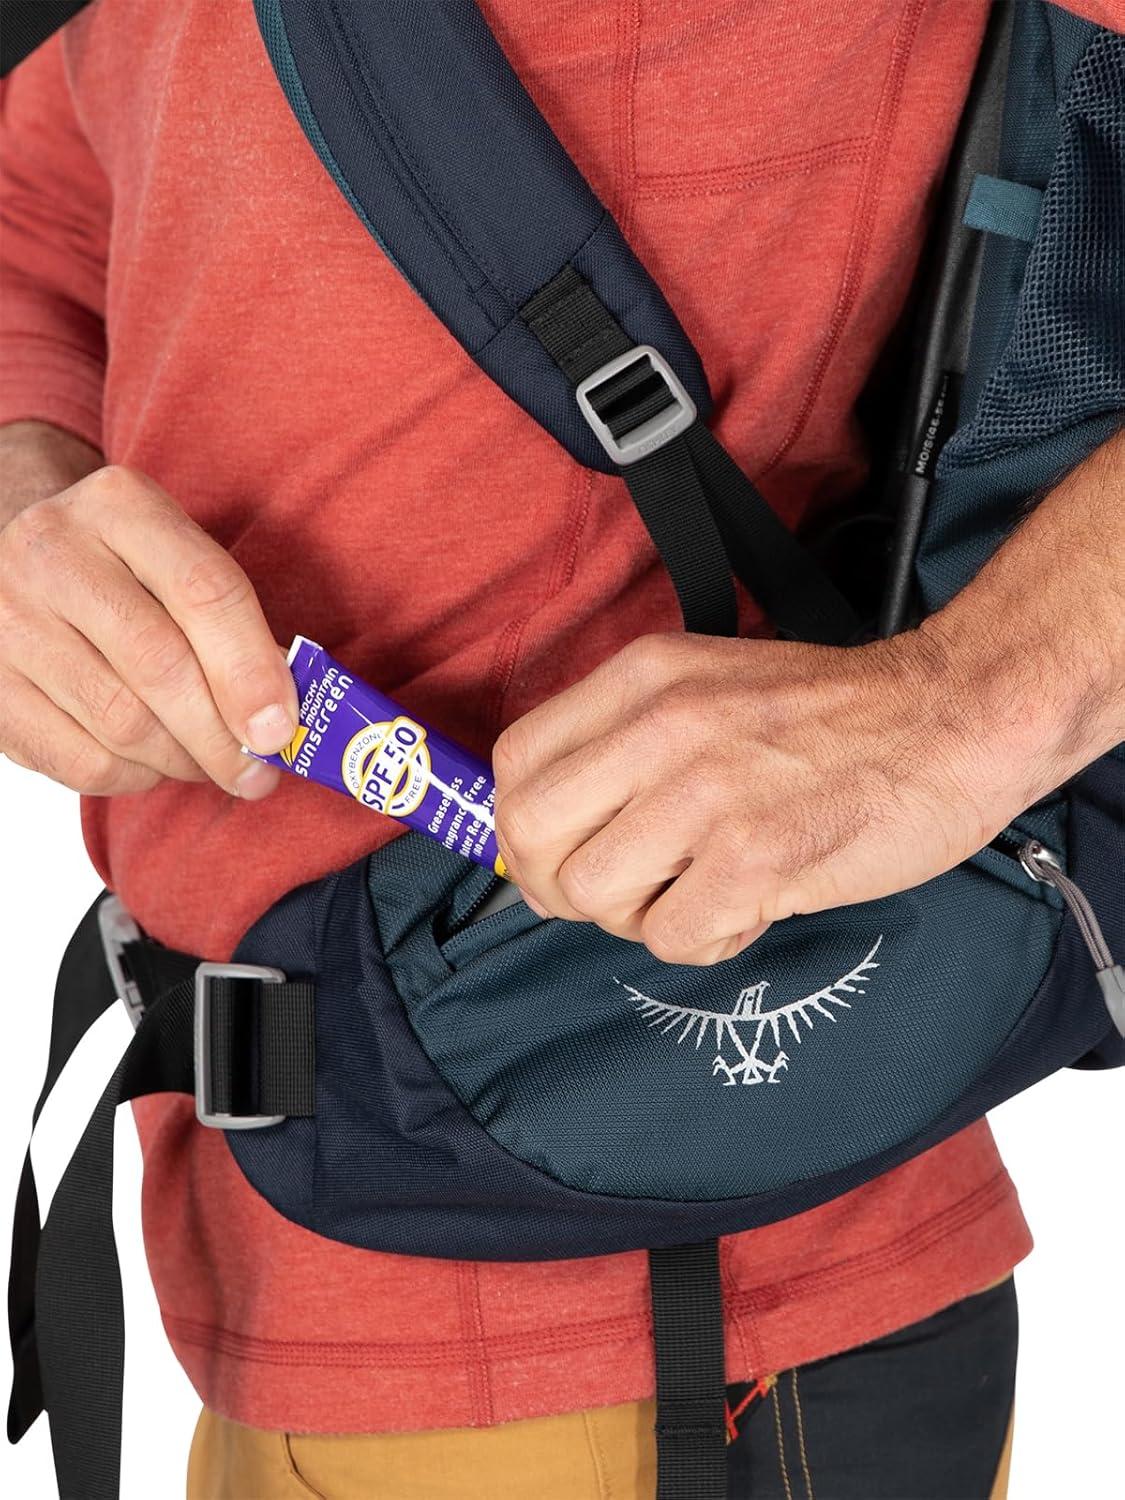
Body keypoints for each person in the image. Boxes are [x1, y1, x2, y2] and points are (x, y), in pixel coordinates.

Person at [0, 2, 1121, 1496]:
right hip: (265, 1251)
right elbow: (53, 188)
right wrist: (21, 480)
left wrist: (970, 707)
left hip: (673, 1288)